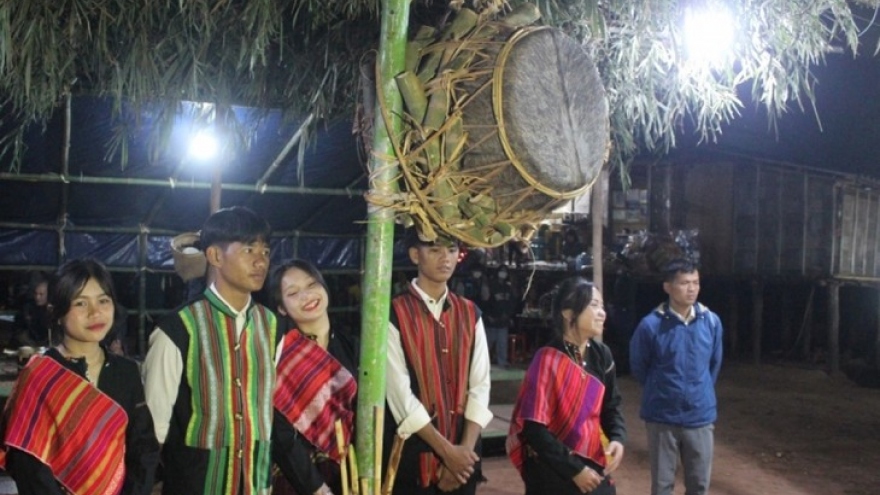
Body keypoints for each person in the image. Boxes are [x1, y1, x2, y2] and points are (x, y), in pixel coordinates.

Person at [142, 206, 278, 495]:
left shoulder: (272, 325)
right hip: (196, 484)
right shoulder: (176, 329)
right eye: (249, 250)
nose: (260, 261)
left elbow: (273, 412)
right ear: (215, 256)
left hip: (256, 483)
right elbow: (154, 429)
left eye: (265, 252)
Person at [0, 259, 159, 495]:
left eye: (103, 301)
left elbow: (143, 447)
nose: (95, 313)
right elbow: (28, 462)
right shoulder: (39, 376)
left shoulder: (126, 371)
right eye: (80, 303)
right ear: (56, 313)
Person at [384, 229, 492, 495]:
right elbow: (400, 395)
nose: (445, 258)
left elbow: (480, 386)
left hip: (465, 456)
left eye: (452, 250)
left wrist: (461, 457)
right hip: (415, 457)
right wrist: (447, 453)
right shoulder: (392, 313)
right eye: (434, 250)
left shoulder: (470, 312)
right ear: (414, 255)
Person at [506, 276, 626, 495]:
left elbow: (611, 406)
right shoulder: (546, 360)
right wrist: (574, 471)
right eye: (594, 306)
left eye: (602, 306)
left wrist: (617, 437)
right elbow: (534, 428)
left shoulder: (603, 355)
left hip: (591, 460)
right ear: (569, 313)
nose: (603, 313)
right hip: (552, 469)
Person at [629, 259, 723, 495]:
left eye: (696, 282)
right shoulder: (650, 325)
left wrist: (699, 391)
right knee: (662, 486)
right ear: (667, 287)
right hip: (662, 416)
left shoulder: (711, 322)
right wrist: (662, 390)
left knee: (699, 484)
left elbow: (714, 363)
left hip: (700, 415)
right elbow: (639, 366)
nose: (691, 288)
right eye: (684, 283)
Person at [269, 259, 358, 495]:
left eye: (311, 284)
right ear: (281, 307)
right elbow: (282, 436)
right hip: (300, 480)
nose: (307, 296)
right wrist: (318, 489)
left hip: (355, 473)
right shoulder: (281, 357)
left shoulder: (353, 343)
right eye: (293, 293)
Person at [483, 266, 518, 368]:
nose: (503, 274)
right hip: (491, 320)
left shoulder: (508, 288)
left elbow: (512, 303)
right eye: (501, 271)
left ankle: (502, 362)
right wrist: (488, 315)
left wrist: (508, 315)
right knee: (488, 343)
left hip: (503, 320)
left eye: (505, 272)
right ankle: (483, 363)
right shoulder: (491, 285)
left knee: (502, 343)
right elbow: (486, 302)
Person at [12, 275, 52, 346]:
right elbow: (19, 330)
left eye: (41, 294)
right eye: (35, 293)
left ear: (49, 294)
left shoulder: (55, 310)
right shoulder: (27, 308)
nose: (37, 297)